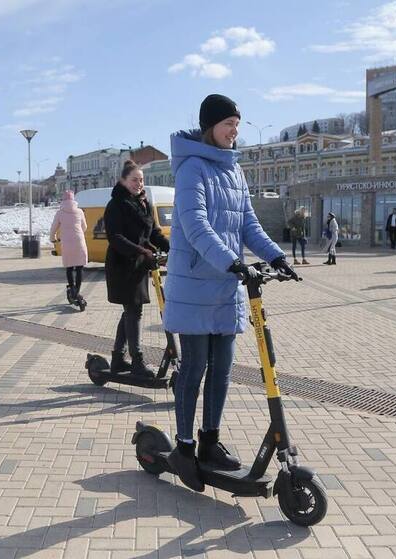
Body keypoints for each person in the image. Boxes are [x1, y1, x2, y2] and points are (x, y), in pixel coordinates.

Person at [163, 94, 298, 491]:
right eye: (228, 124)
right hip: (195, 285)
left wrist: (276, 256)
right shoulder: (192, 169)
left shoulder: (234, 172)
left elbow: (248, 225)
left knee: (221, 370)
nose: (234, 131)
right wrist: (233, 262)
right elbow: (194, 225)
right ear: (210, 127)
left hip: (225, 285)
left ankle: (209, 440)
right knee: (194, 368)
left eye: (237, 124)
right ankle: (183, 447)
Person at [104, 160, 170, 377]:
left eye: (141, 180)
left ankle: (117, 359)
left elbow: (153, 233)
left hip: (139, 265)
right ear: (123, 180)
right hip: (122, 264)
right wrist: (142, 252)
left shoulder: (144, 203)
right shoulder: (116, 204)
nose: (139, 184)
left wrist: (172, 248)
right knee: (134, 311)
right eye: (134, 180)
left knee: (130, 311)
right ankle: (137, 362)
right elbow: (116, 238)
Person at [50, 190, 88, 305]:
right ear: (73, 200)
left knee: (70, 267)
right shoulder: (79, 211)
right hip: (79, 241)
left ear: (63, 200)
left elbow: (53, 228)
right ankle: (77, 291)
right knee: (80, 267)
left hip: (66, 243)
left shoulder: (60, 212)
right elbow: (84, 227)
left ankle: (72, 289)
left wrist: (53, 238)